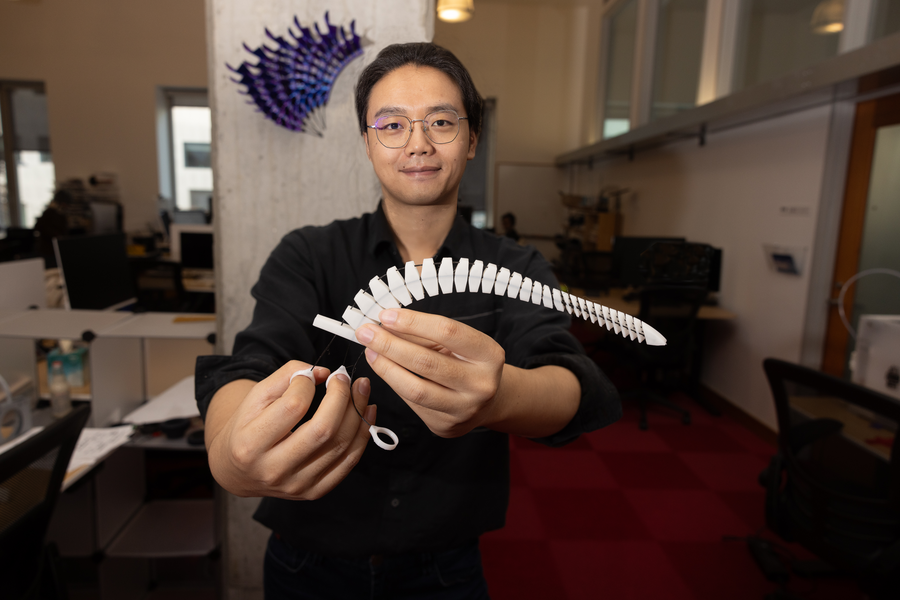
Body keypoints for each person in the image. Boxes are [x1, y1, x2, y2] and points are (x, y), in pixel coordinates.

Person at [196, 42, 621, 599]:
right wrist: (228, 453)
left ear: (472, 139)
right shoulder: (308, 255)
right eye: (392, 125)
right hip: (308, 559)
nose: (418, 143)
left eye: (441, 122)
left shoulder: (516, 266)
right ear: (367, 142)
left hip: (444, 565)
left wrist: (498, 398)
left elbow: (568, 384)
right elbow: (249, 365)